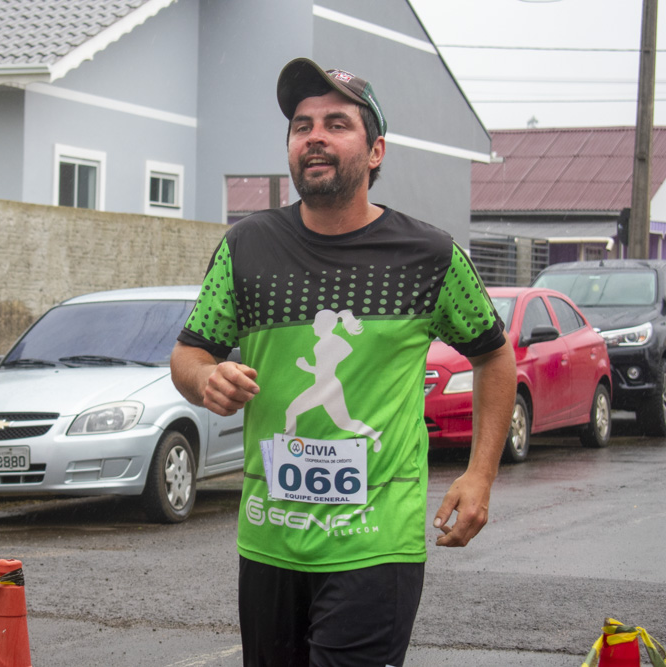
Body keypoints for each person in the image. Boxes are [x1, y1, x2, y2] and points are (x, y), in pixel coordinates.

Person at [170, 57, 516, 667]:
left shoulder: (428, 254)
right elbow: (189, 352)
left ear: (375, 150)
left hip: (376, 543)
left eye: (337, 123)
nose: (315, 137)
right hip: (269, 538)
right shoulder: (245, 246)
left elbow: (494, 356)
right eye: (301, 126)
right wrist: (204, 377)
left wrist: (480, 473)